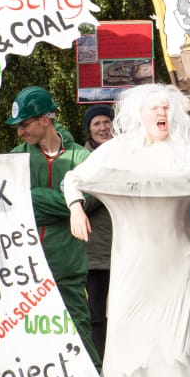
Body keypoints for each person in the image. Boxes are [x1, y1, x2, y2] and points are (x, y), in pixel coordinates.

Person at [66, 84, 190, 377]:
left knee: (172, 339)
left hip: (177, 259)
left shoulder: (188, 149)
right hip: (133, 258)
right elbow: (73, 178)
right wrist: (75, 207)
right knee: (127, 332)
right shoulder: (120, 149)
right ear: (138, 114)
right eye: (154, 108)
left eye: (166, 107)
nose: (161, 113)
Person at [7, 86, 101, 368]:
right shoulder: (14, 158)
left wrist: (31, 197)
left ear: (44, 120)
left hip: (67, 265)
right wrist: (65, 204)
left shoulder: (82, 159)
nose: (20, 132)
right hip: (26, 268)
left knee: (78, 334)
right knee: (32, 340)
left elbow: (88, 200)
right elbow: (10, 205)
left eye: (24, 124)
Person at [82, 104, 115, 356]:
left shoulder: (126, 155)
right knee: (96, 314)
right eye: (97, 124)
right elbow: (84, 201)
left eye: (107, 122)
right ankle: (99, 363)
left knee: (123, 314)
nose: (103, 127)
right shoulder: (82, 161)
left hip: (125, 248)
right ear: (89, 130)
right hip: (94, 252)